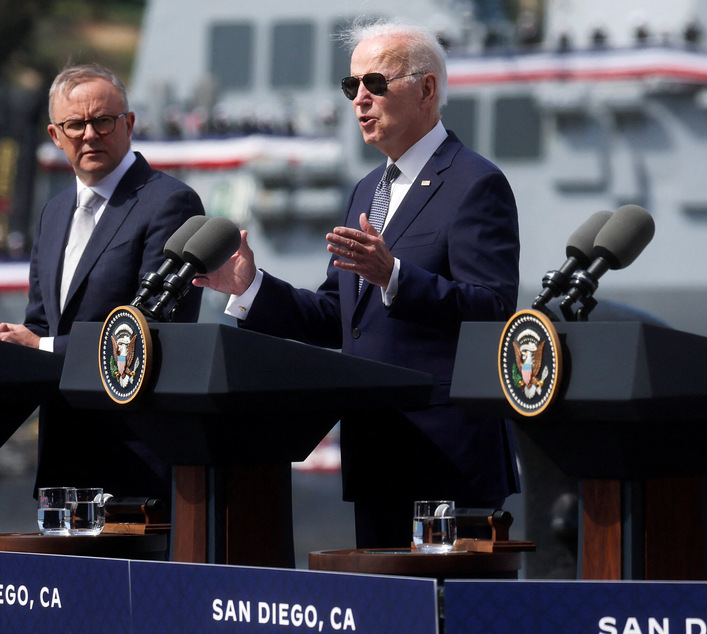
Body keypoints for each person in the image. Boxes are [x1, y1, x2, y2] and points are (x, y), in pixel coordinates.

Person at [195, 21, 520, 548]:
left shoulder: (475, 183)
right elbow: (337, 317)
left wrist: (395, 276)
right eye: (352, 87)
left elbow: (494, 308)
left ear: (427, 89)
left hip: (448, 459)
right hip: (375, 452)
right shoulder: (368, 190)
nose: (360, 99)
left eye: (375, 83)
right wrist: (251, 287)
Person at [0, 63, 204, 501]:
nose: (89, 134)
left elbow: (152, 331)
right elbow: (41, 324)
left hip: (136, 464)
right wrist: (16, 345)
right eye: (75, 124)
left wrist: (40, 347)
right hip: (63, 464)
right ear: (56, 136)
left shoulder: (170, 203)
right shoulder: (53, 214)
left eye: (103, 121)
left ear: (128, 124)